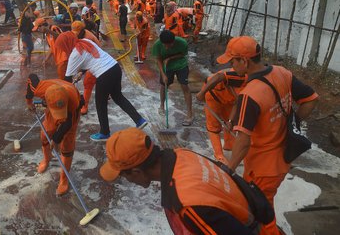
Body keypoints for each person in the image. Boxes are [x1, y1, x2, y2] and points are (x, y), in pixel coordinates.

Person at [218, 36, 319, 235]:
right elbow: (311, 99)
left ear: (244, 61)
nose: (231, 66)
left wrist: (228, 169)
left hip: (262, 170)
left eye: (232, 61)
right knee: (264, 207)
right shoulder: (282, 73)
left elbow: (243, 141)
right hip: (281, 159)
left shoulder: (250, 95)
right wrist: (294, 122)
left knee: (261, 216)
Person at [100, 128, 269, 235]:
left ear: (136, 171)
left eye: (123, 176)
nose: (127, 181)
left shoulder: (187, 203)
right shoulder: (182, 154)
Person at [63, 33, 147, 141]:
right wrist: (81, 72)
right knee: (118, 97)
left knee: (100, 104)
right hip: (115, 67)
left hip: (104, 75)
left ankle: (104, 132)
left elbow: (67, 80)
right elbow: (92, 58)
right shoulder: (85, 42)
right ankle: (139, 120)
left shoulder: (74, 54)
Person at [25, 76, 82, 196]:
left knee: (67, 145)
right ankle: (47, 158)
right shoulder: (40, 89)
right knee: (45, 134)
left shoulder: (73, 102)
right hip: (52, 106)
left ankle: (64, 179)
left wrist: (56, 140)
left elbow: (68, 123)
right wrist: (29, 101)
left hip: (72, 113)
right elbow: (31, 78)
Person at [196, 69, 248, 163]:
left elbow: (237, 102)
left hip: (230, 99)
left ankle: (229, 147)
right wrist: (202, 92)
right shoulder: (240, 75)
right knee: (213, 126)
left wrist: (230, 121)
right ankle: (219, 155)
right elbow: (218, 77)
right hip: (213, 94)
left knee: (230, 123)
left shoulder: (252, 87)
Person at [153, 30, 193, 126]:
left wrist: (170, 58)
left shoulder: (182, 42)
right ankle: (162, 106)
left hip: (181, 65)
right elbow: (158, 59)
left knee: (184, 86)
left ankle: (190, 113)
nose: (167, 47)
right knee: (164, 85)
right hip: (167, 67)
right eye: (165, 45)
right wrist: (163, 74)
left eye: (169, 45)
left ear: (173, 41)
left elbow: (183, 54)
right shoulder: (157, 45)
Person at [71, 21, 100, 115]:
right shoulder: (84, 33)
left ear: (80, 31)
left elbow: (87, 57)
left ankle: (84, 106)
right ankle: (106, 93)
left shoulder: (87, 38)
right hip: (95, 59)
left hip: (96, 60)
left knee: (87, 83)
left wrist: (81, 72)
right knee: (100, 80)